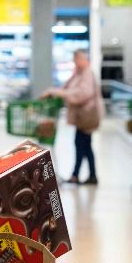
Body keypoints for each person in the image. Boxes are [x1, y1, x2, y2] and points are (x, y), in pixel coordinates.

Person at [43, 49, 102, 184]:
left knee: (82, 145)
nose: (75, 63)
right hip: (83, 118)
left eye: (76, 60)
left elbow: (82, 94)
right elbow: (68, 88)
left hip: (87, 117)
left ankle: (80, 175)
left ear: (82, 59)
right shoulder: (80, 73)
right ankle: (86, 175)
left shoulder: (87, 74)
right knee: (84, 146)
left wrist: (60, 93)